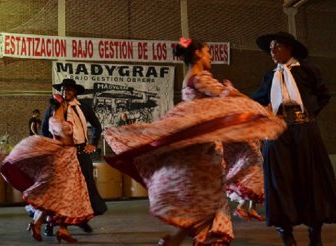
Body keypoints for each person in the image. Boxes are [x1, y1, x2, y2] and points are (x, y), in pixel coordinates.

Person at [103, 38, 286, 246]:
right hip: (204, 148)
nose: (210, 57)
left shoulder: (190, 78)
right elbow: (229, 98)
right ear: (198, 53)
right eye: (208, 52)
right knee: (210, 195)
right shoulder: (200, 78)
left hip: (202, 146)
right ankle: (190, 237)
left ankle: (183, 237)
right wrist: (262, 111)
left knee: (208, 195)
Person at [252, 31, 336, 246]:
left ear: (289, 48)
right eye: (271, 48)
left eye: (277, 47)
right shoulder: (269, 76)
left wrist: (310, 114)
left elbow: (323, 94)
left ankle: (315, 234)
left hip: (305, 129)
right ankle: (286, 234)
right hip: (278, 131)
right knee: (278, 179)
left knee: (311, 178)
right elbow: (258, 100)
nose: (272, 52)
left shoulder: (307, 70)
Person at [1, 94, 94, 243]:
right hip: (66, 162)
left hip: (64, 161)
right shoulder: (60, 122)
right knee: (63, 195)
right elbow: (67, 142)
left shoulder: (52, 120)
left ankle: (59, 229)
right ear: (62, 105)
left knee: (61, 197)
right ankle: (42, 225)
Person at [41, 78, 107, 234]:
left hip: (81, 152)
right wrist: (50, 147)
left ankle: (82, 220)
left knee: (86, 187)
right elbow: (44, 129)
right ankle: (51, 223)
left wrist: (93, 143)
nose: (65, 92)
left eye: (69, 89)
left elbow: (97, 126)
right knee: (60, 190)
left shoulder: (84, 107)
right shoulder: (54, 107)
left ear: (75, 91)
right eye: (63, 89)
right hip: (61, 154)